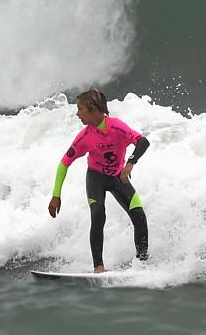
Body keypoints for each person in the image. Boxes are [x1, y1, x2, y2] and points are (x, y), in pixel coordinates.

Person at [47, 89, 149, 272]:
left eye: (80, 109)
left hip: (118, 177)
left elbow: (143, 142)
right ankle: (99, 268)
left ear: (92, 109)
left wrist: (130, 163)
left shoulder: (117, 127)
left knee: (139, 216)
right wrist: (56, 195)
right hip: (96, 179)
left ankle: (142, 264)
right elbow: (64, 164)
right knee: (98, 215)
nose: (77, 114)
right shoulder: (85, 137)